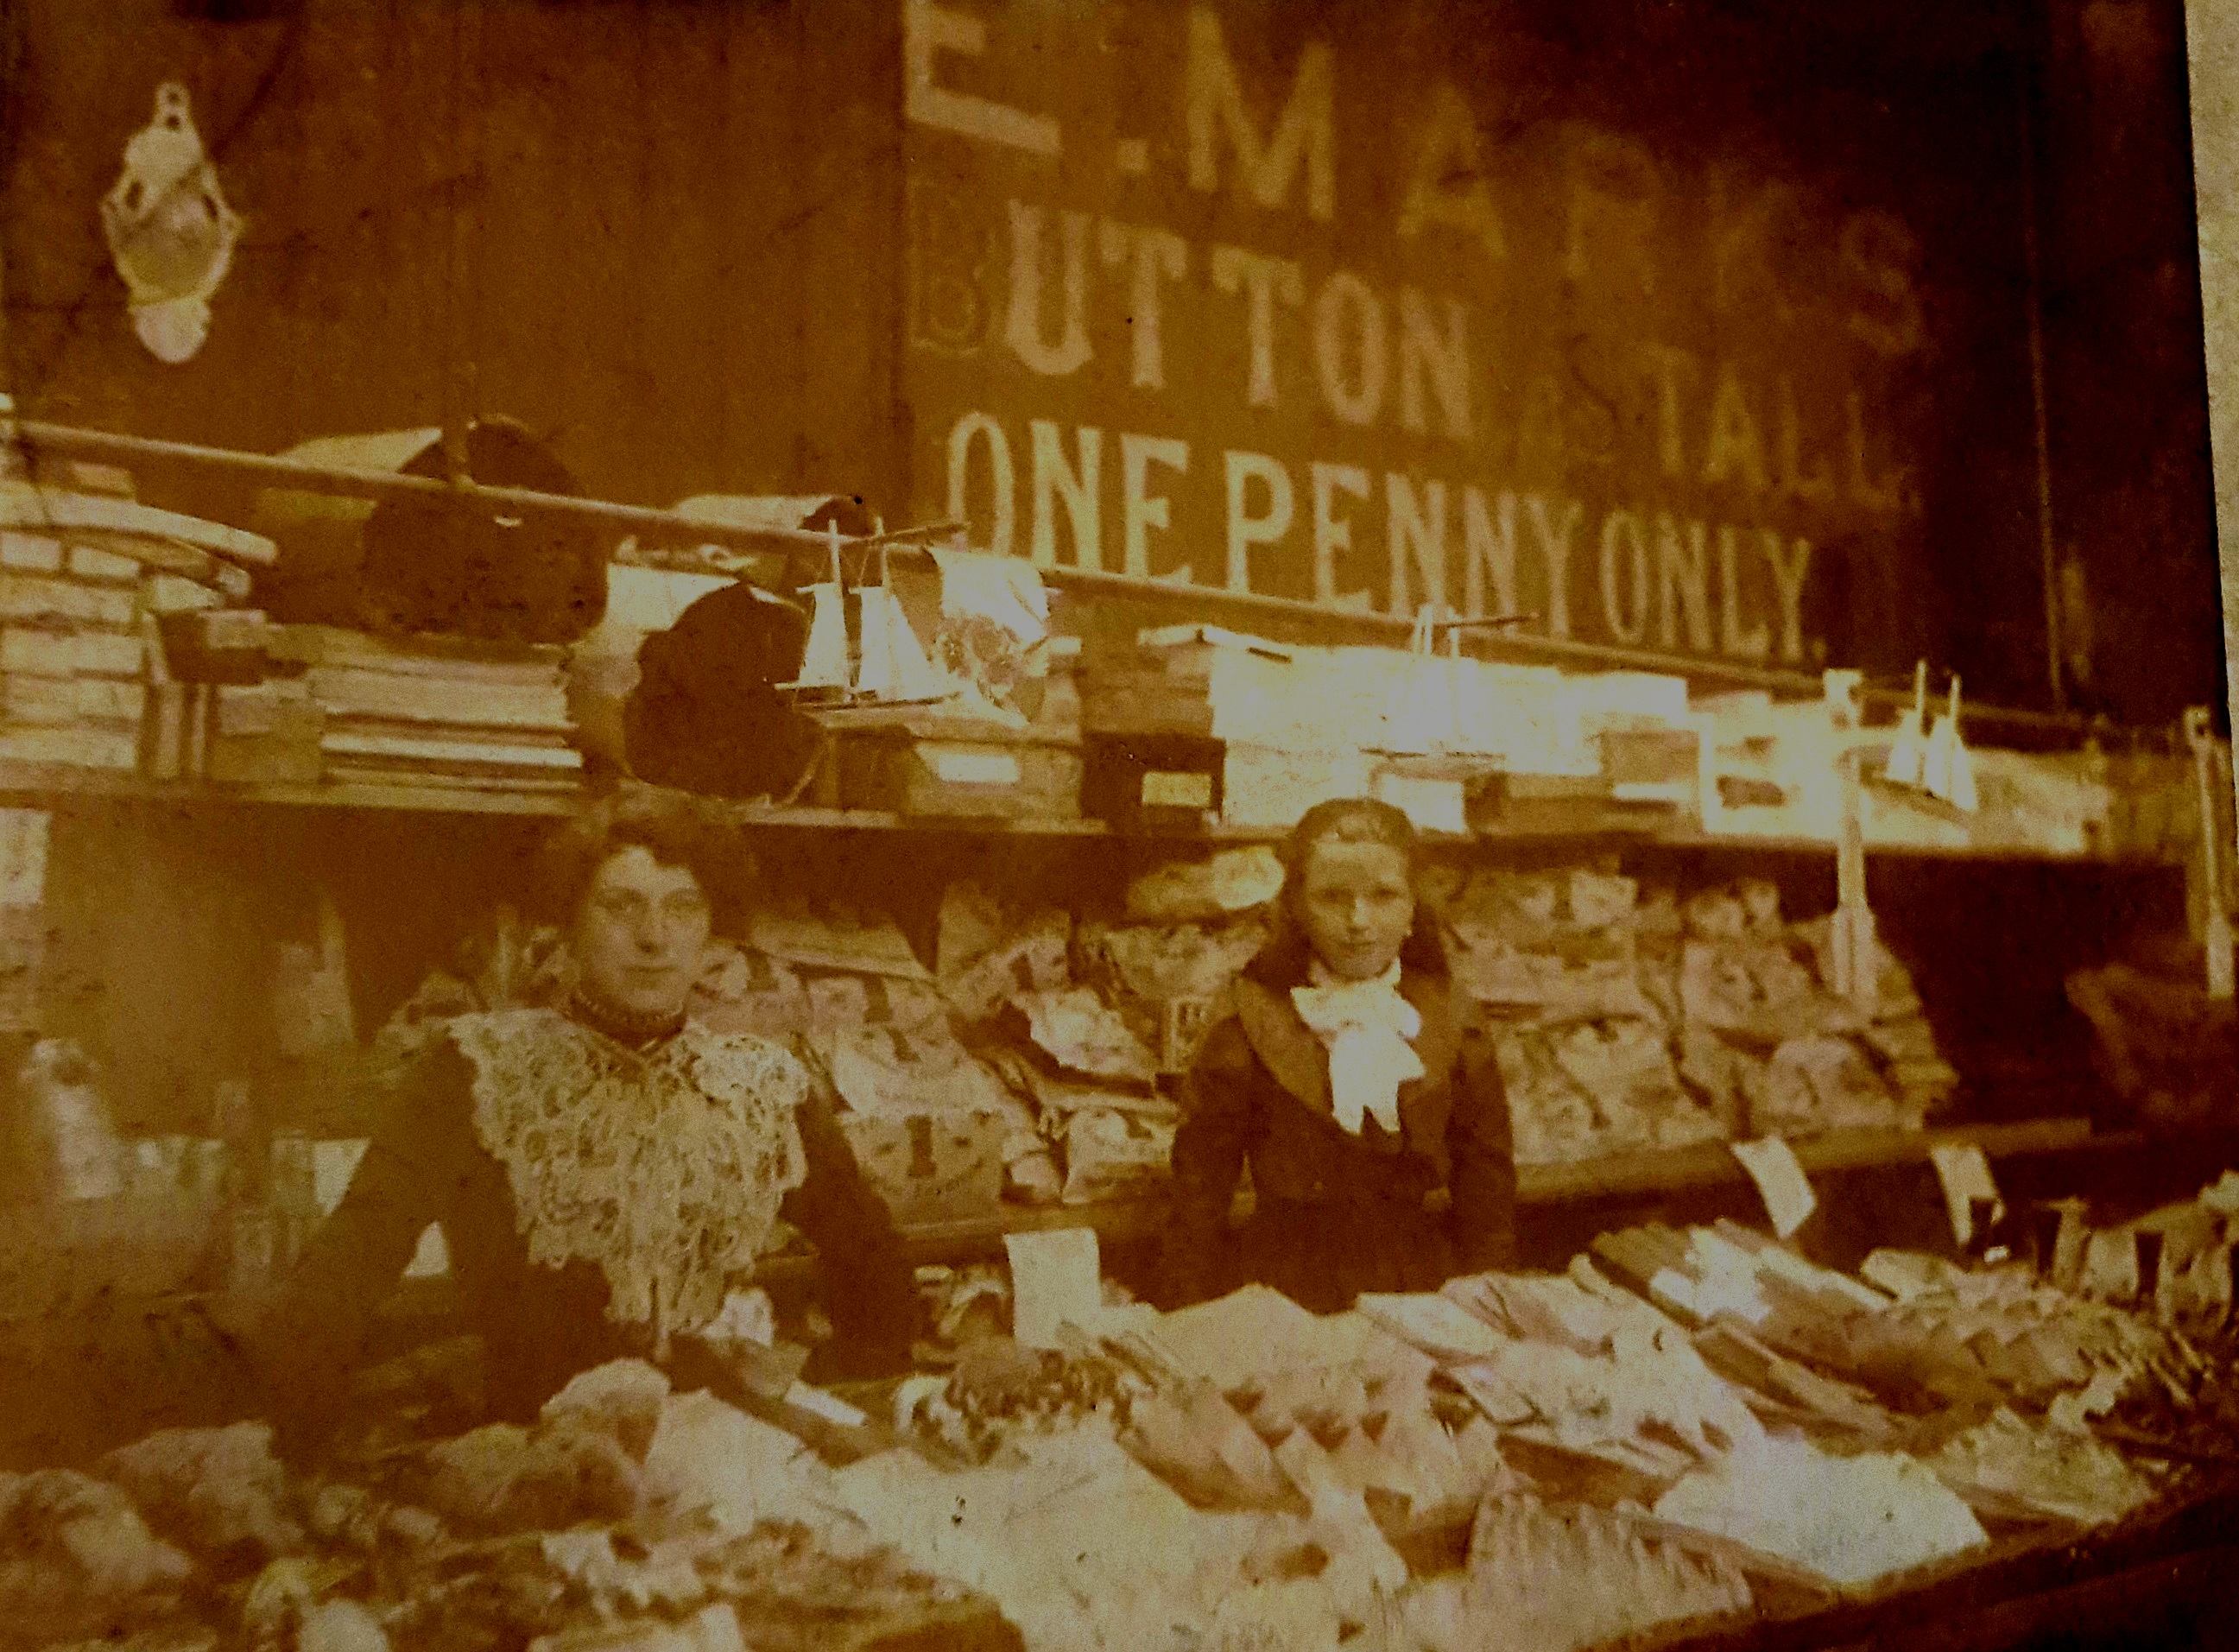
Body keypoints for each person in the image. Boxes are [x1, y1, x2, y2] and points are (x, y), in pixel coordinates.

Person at [250, 790, 922, 1440]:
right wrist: (294, 1465)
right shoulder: (480, 1072)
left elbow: (876, 1272)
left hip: (725, 1461)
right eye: (619, 906)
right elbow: (337, 1282)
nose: (653, 938)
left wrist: (837, 1405)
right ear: (568, 925)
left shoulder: (761, 1086)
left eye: (681, 908)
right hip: (542, 1463)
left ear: (712, 933)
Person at [1161, 798, 1516, 1311]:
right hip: (1284, 1292)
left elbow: (1488, 1192)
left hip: (1421, 1287)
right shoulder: (1246, 1021)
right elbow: (1198, 1198)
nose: (1358, 920)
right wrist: (1186, 1324)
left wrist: (1488, 1315)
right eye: (1333, 897)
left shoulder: (1454, 1019)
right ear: (1298, 907)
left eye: (1384, 896)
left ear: (1413, 906)